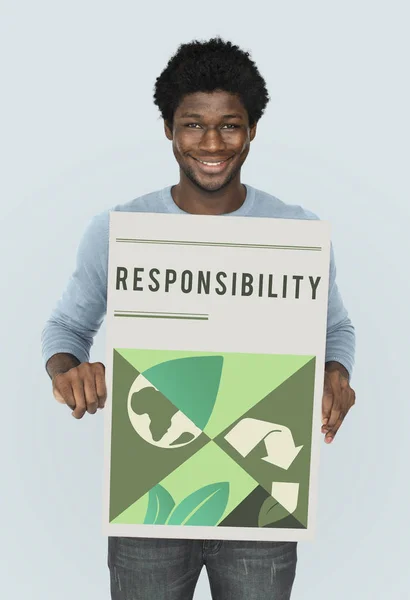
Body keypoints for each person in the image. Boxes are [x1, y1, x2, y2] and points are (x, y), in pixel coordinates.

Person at [41, 37, 356, 600]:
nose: (211, 143)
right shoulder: (119, 228)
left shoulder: (296, 232)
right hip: (151, 499)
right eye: (192, 125)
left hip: (261, 504)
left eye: (230, 125)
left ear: (253, 129)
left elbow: (335, 329)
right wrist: (68, 371)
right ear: (168, 128)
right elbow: (66, 330)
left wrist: (336, 373)